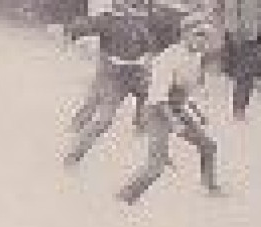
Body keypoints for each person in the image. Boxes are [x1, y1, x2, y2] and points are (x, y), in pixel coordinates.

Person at [117, 15, 224, 204]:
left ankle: (210, 186)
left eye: (207, 36)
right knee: (155, 167)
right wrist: (174, 122)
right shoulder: (168, 58)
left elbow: (184, 91)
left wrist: (197, 113)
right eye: (198, 35)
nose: (203, 41)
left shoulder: (196, 56)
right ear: (184, 35)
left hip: (176, 108)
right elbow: (159, 97)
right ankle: (124, 197)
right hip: (157, 112)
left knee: (208, 146)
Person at [63, 0, 160, 166]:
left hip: (136, 73)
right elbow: (80, 27)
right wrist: (71, 34)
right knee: (104, 118)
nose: (127, 4)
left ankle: (140, 125)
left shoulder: (140, 19)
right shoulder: (106, 20)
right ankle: (74, 155)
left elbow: (150, 45)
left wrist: (147, 63)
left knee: (146, 96)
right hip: (113, 77)